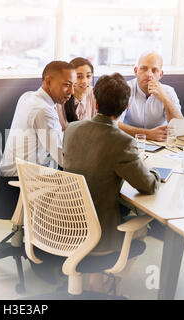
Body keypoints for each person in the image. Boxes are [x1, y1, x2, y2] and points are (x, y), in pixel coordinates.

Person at [63, 73, 161, 294]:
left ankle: (96, 282)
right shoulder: (122, 142)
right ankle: (111, 286)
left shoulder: (72, 129)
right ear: (126, 106)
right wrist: (154, 172)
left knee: (102, 206)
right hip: (99, 236)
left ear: (95, 102)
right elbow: (148, 186)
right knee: (140, 226)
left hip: (65, 224)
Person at [0, 61, 76, 219]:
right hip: (16, 191)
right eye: (67, 85)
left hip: (6, 181)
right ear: (48, 81)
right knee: (78, 188)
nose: (71, 91)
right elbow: (64, 159)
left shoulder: (28, 97)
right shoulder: (43, 110)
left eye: (73, 85)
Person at [118, 51, 184, 141]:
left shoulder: (169, 91)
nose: (149, 74)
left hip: (161, 143)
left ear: (160, 74)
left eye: (154, 70)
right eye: (144, 69)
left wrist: (165, 98)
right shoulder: (124, 90)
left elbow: (180, 128)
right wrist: (147, 134)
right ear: (136, 71)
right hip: (130, 140)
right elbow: (114, 124)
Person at [56, 57, 96, 131]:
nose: (85, 81)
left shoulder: (94, 94)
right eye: (79, 77)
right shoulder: (59, 99)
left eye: (88, 76)